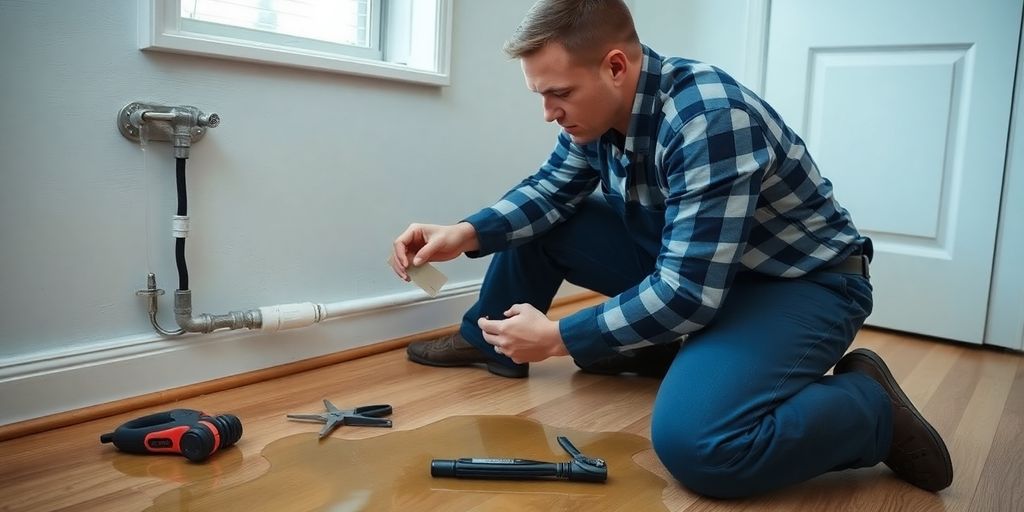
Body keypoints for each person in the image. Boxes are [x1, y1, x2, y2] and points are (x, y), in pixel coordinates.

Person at [389, 0, 952, 499]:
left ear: (615, 66)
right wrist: (462, 232)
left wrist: (562, 337)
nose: (549, 113)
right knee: (549, 220)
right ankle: (489, 341)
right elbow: (551, 190)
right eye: (541, 95)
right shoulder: (599, 114)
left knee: (700, 447)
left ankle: (869, 409)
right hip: (709, 269)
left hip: (798, 284)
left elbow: (687, 293)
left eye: (559, 94)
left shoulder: (709, 119)